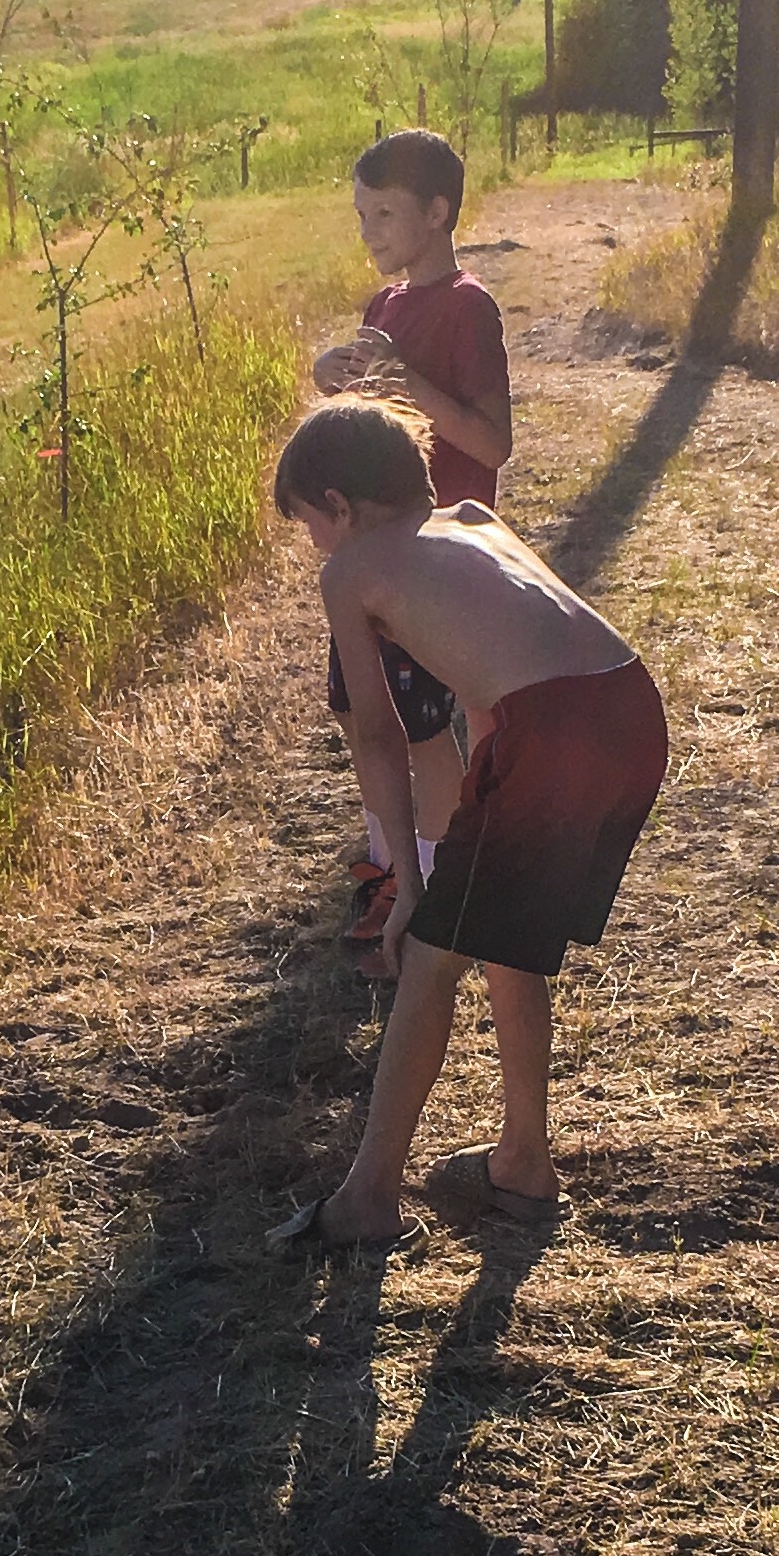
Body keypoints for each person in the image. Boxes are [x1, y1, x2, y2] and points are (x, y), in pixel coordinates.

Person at [268, 397, 667, 1252]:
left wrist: (406, 886)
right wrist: (464, 843)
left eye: (310, 523)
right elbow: (498, 689)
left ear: (337, 504)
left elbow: (378, 734)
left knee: (427, 954)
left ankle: (369, 1195)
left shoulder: (352, 570)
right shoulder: (476, 518)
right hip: (629, 707)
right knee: (499, 936)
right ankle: (523, 1161)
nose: (316, 546)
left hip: (554, 728)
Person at [308, 130, 512, 967]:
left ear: (437, 211)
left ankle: (432, 885)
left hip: (439, 559)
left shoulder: (468, 306)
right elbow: (373, 433)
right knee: (364, 715)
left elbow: (492, 444)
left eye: (384, 212)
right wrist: (337, 380)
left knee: (426, 729)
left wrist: (407, 383)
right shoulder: (380, 310)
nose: (369, 229)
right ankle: (389, 865)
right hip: (373, 562)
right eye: (361, 213)